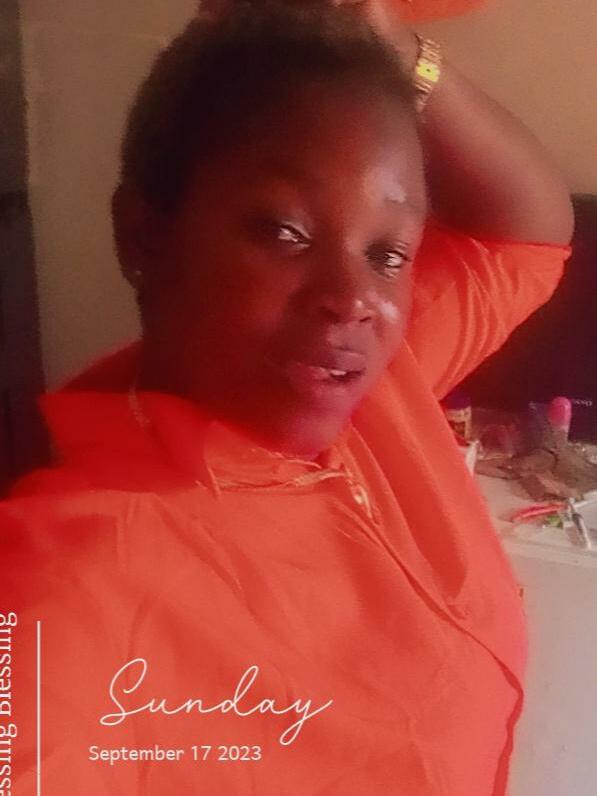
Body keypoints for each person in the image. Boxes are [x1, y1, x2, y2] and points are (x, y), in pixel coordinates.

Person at [1, 1, 573, 793]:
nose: (351, 298)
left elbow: (526, 235)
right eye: (284, 232)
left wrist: (386, 40)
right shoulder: (68, 582)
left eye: (386, 253)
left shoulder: (382, 392)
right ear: (144, 235)